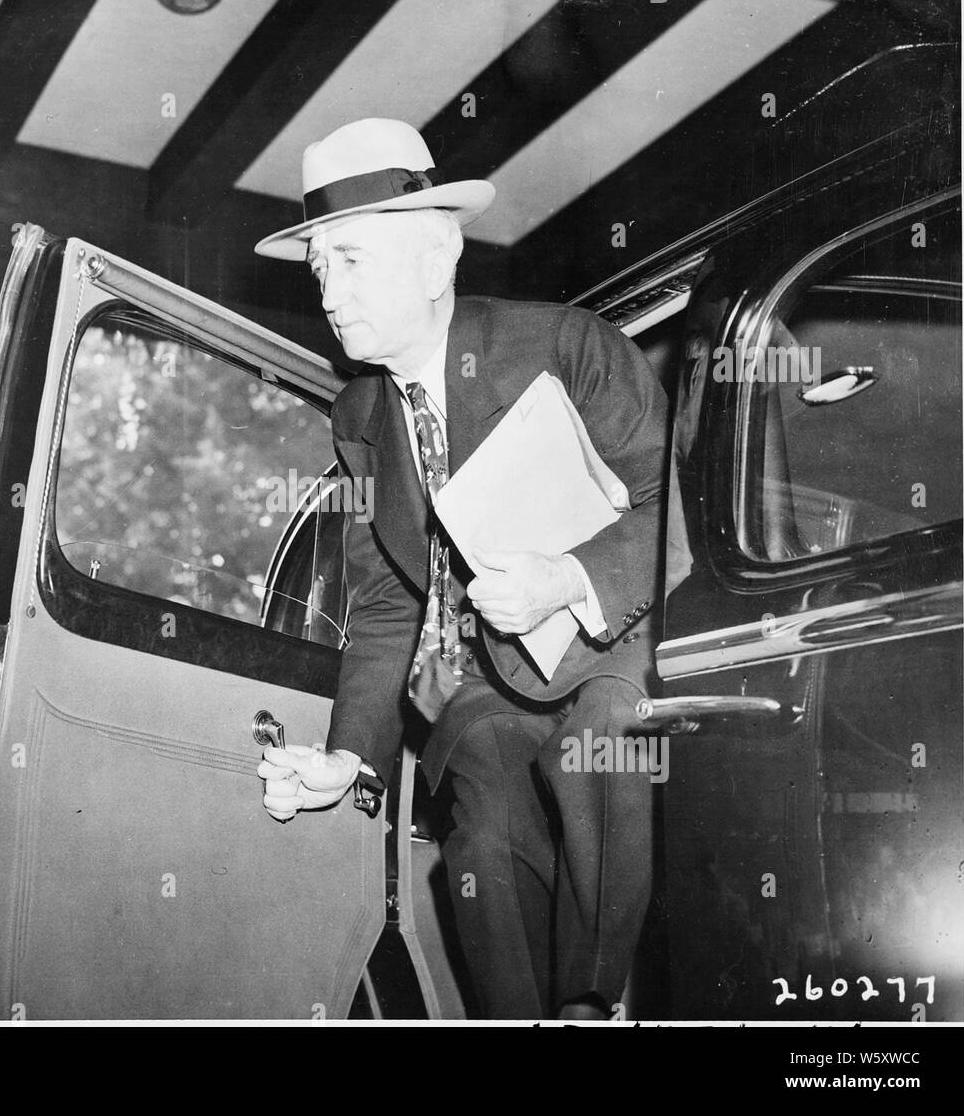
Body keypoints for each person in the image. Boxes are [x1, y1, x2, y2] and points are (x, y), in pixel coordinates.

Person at [254, 119, 668, 1020]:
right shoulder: (361, 415)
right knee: (475, 798)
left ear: (438, 256)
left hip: (608, 654)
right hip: (488, 685)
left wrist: (565, 577)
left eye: (352, 260)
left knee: (596, 736)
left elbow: (672, 511)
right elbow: (383, 607)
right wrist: (349, 758)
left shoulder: (567, 347)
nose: (329, 292)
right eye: (318, 267)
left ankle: (592, 1003)